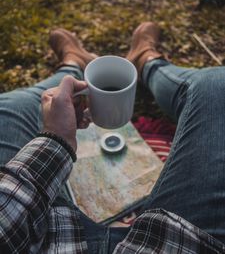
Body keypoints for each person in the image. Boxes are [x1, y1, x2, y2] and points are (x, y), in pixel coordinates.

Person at [0, 22, 225, 254]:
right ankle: (149, 63)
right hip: (177, 240)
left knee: (11, 107)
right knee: (218, 85)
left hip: (46, 234)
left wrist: (56, 138)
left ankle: (73, 66)